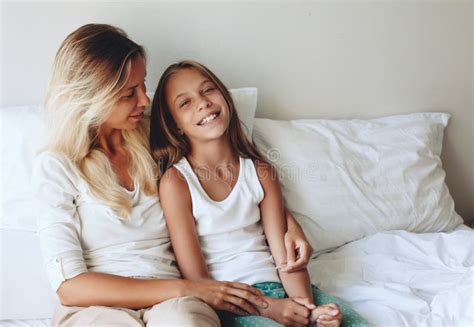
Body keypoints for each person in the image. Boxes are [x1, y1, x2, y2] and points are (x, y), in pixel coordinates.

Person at [32, 24, 314, 326]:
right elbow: (69, 286)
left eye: (143, 85)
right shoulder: (56, 166)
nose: (144, 100)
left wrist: (288, 223)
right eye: (130, 93)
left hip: (174, 305)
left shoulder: (156, 140)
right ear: (92, 97)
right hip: (96, 308)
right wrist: (190, 288)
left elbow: (230, 173)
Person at [151, 60, 371, 327]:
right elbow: (198, 283)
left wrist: (306, 308)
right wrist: (269, 308)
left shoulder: (261, 172)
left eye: (208, 90)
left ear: (225, 97)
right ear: (175, 126)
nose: (203, 103)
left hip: (282, 292)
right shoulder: (176, 182)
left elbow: (286, 255)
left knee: (349, 320)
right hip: (231, 305)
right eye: (185, 102)